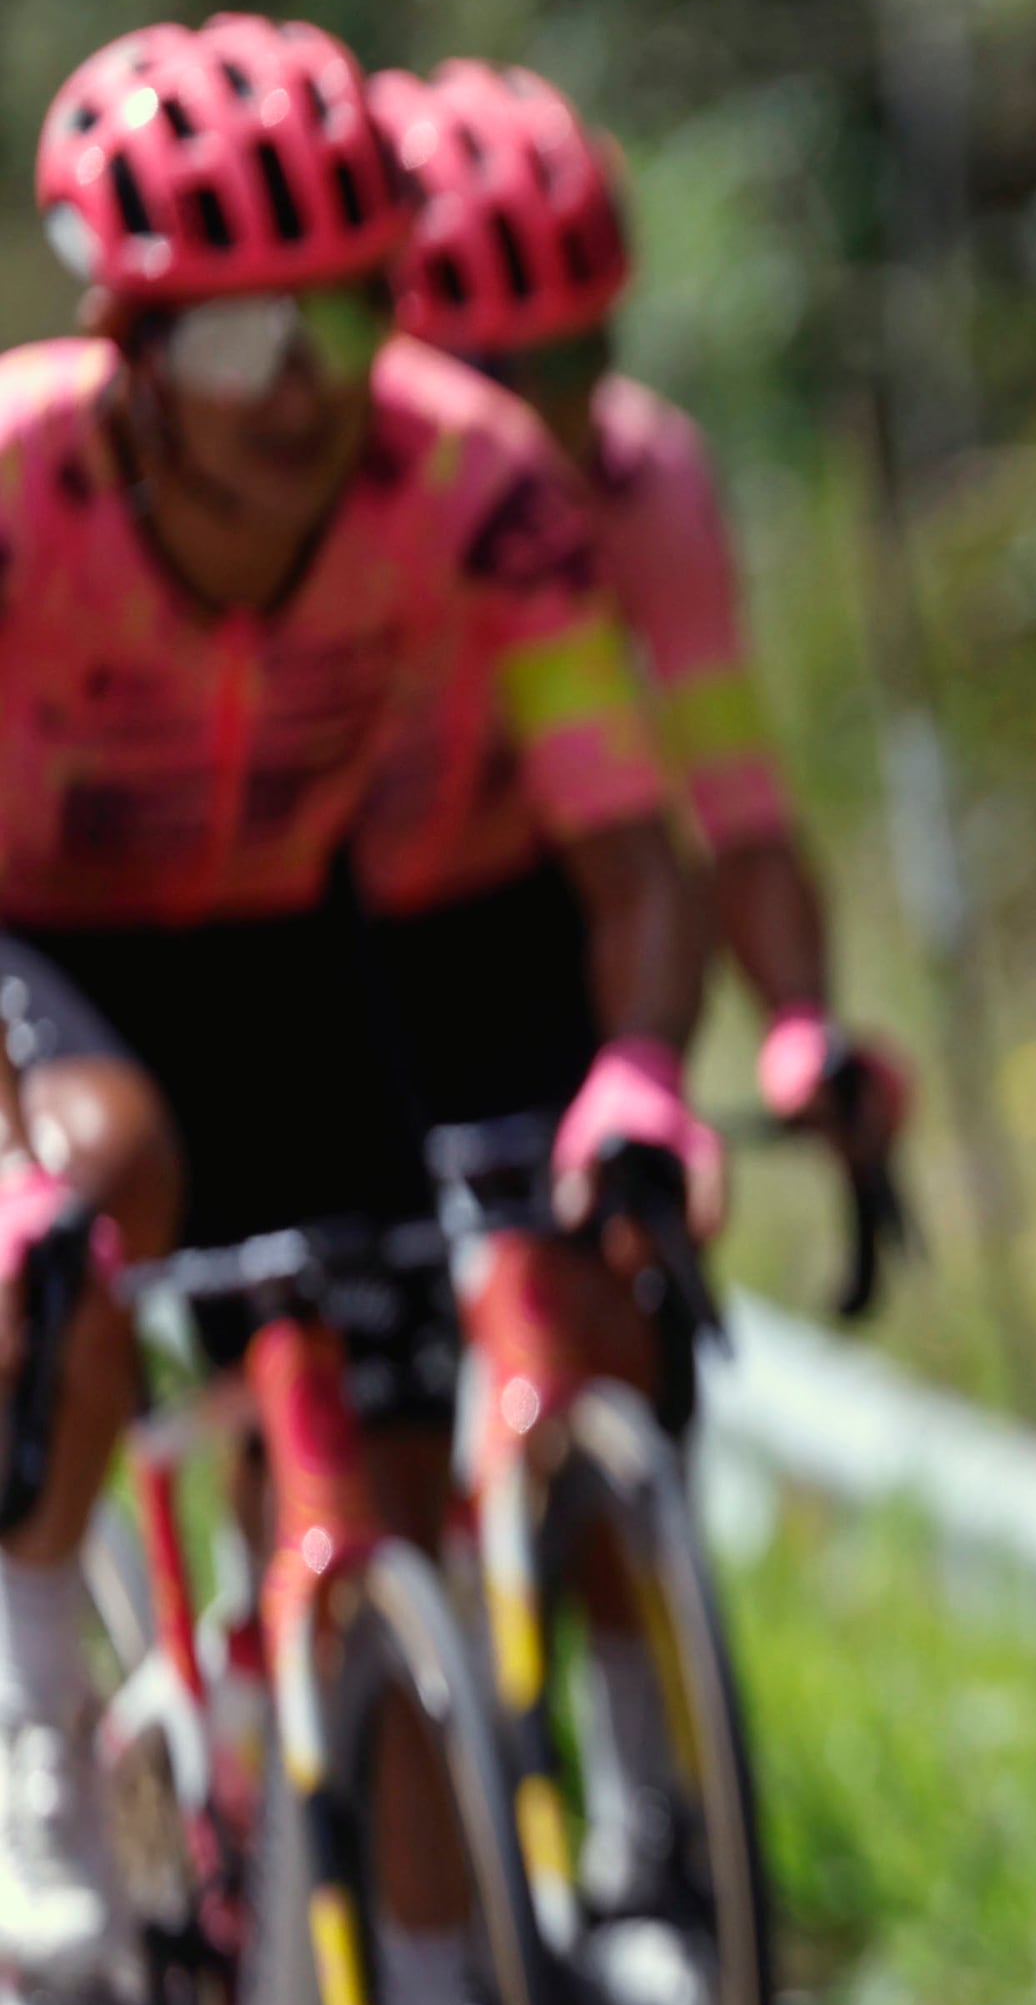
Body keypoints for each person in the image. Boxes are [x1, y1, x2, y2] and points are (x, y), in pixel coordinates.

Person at [0, 18, 707, 2005]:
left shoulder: (474, 482)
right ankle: (36, 1736)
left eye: (336, 314)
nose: (301, 392)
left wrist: (641, 1063)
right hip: (38, 944)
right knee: (102, 1172)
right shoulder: (21, 482)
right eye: (232, 343)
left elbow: (626, 841)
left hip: (296, 951)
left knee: (383, 1510)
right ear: (124, 346)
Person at [366, 58, 915, 1176]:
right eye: (490, 376)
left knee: (608, 1246)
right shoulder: (313, 509)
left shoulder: (643, 478)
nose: (542, 422)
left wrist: (801, 1021)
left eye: (577, 357)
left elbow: (733, 794)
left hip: (529, 906)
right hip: (308, 930)